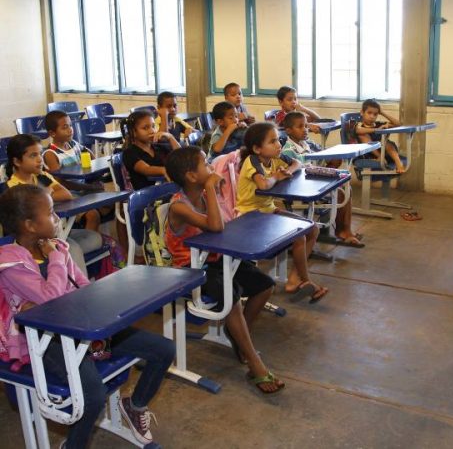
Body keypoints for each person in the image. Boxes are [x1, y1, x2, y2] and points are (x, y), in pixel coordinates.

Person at [0, 184, 175, 447]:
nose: (57, 219)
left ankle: (135, 406)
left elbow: (83, 285)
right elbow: (49, 300)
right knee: (93, 395)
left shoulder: (57, 246)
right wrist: (56, 259)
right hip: (45, 341)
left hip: (79, 327)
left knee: (163, 349)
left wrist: (105, 303)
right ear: (30, 225)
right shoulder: (11, 264)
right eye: (50, 213)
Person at [164, 147, 284, 394]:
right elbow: (216, 227)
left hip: (215, 259)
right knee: (232, 297)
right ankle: (254, 362)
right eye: (205, 165)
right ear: (191, 176)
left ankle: (239, 334)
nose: (211, 168)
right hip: (189, 269)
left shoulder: (207, 196)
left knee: (264, 285)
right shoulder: (178, 206)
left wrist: (214, 192)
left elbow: (229, 220)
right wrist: (210, 188)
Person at [236, 122, 328, 303]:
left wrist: (288, 170)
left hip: (267, 210)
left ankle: (294, 279)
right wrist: (277, 177)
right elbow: (263, 184)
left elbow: (296, 162)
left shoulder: (275, 157)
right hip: (249, 216)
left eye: (278, 140)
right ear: (257, 148)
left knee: (312, 228)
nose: (279, 145)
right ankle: (307, 280)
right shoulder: (252, 162)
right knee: (299, 234)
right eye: (273, 141)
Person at [5, 134, 101, 276]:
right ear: (17, 162)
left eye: (39, 154)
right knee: (72, 250)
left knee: (95, 239)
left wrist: (45, 194)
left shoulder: (42, 176)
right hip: (34, 242)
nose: (39, 159)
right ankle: (77, 288)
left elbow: (66, 194)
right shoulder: (13, 189)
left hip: (55, 232)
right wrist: (48, 193)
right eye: (33, 156)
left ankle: (64, 263)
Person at [281, 112, 364, 247]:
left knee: (344, 185)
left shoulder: (308, 143)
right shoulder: (288, 151)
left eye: (306, 126)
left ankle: (345, 230)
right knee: (341, 192)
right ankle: (343, 232)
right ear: (289, 130)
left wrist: (334, 157)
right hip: (303, 188)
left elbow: (324, 154)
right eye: (300, 127)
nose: (305, 130)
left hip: (314, 181)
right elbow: (296, 175)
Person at [43, 110, 103, 231]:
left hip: (82, 190)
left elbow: (90, 156)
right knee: (93, 215)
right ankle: (88, 243)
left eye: (70, 125)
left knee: (110, 204)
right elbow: (60, 183)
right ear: (52, 133)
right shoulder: (51, 154)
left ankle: (100, 237)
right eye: (64, 127)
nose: (70, 129)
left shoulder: (73, 144)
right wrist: (88, 188)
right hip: (67, 195)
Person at [122, 109, 181, 190]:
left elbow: (181, 156)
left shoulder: (158, 147)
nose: (152, 131)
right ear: (133, 132)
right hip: (146, 197)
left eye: (153, 126)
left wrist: (171, 137)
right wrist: (163, 170)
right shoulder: (129, 153)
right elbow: (146, 169)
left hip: (165, 190)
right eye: (145, 128)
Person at [355, 99, 405, 174]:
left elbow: (399, 124)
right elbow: (358, 130)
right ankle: (380, 157)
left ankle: (398, 162)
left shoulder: (380, 124)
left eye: (375, 114)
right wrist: (377, 130)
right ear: (362, 112)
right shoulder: (359, 125)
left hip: (386, 152)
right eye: (369, 113)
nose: (372, 116)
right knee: (363, 136)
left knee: (387, 143)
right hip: (370, 155)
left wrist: (383, 113)